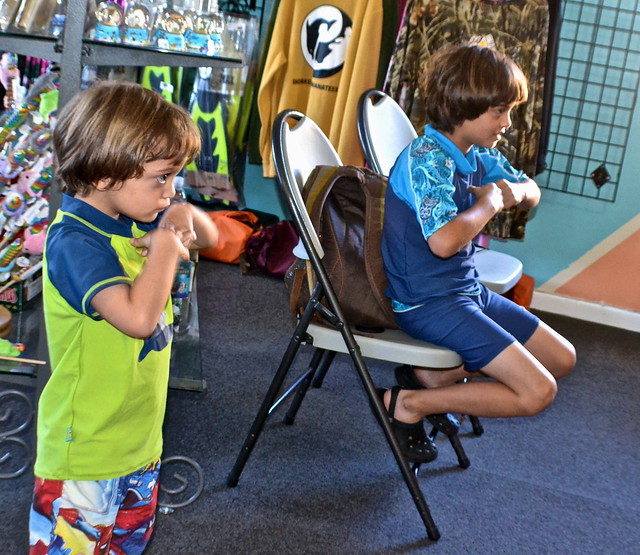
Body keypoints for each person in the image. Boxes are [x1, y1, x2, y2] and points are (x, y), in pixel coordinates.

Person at [28, 81, 219, 554]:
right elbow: (136, 318)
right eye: (161, 178)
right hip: (86, 454)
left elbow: (211, 238)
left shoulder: (136, 214)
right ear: (106, 175)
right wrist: (163, 251)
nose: (170, 190)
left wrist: (183, 216)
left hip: (138, 440)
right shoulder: (75, 242)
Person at [380, 44, 576, 463]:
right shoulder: (426, 159)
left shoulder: (474, 155)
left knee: (562, 357)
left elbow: (530, 193)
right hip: (427, 304)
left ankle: (438, 375)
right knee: (538, 391)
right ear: (462, 106)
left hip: (465, 292)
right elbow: (444, 242)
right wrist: (490, 204)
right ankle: (409, 403)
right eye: (499, 111)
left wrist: (513, 192)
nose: (507, 123)